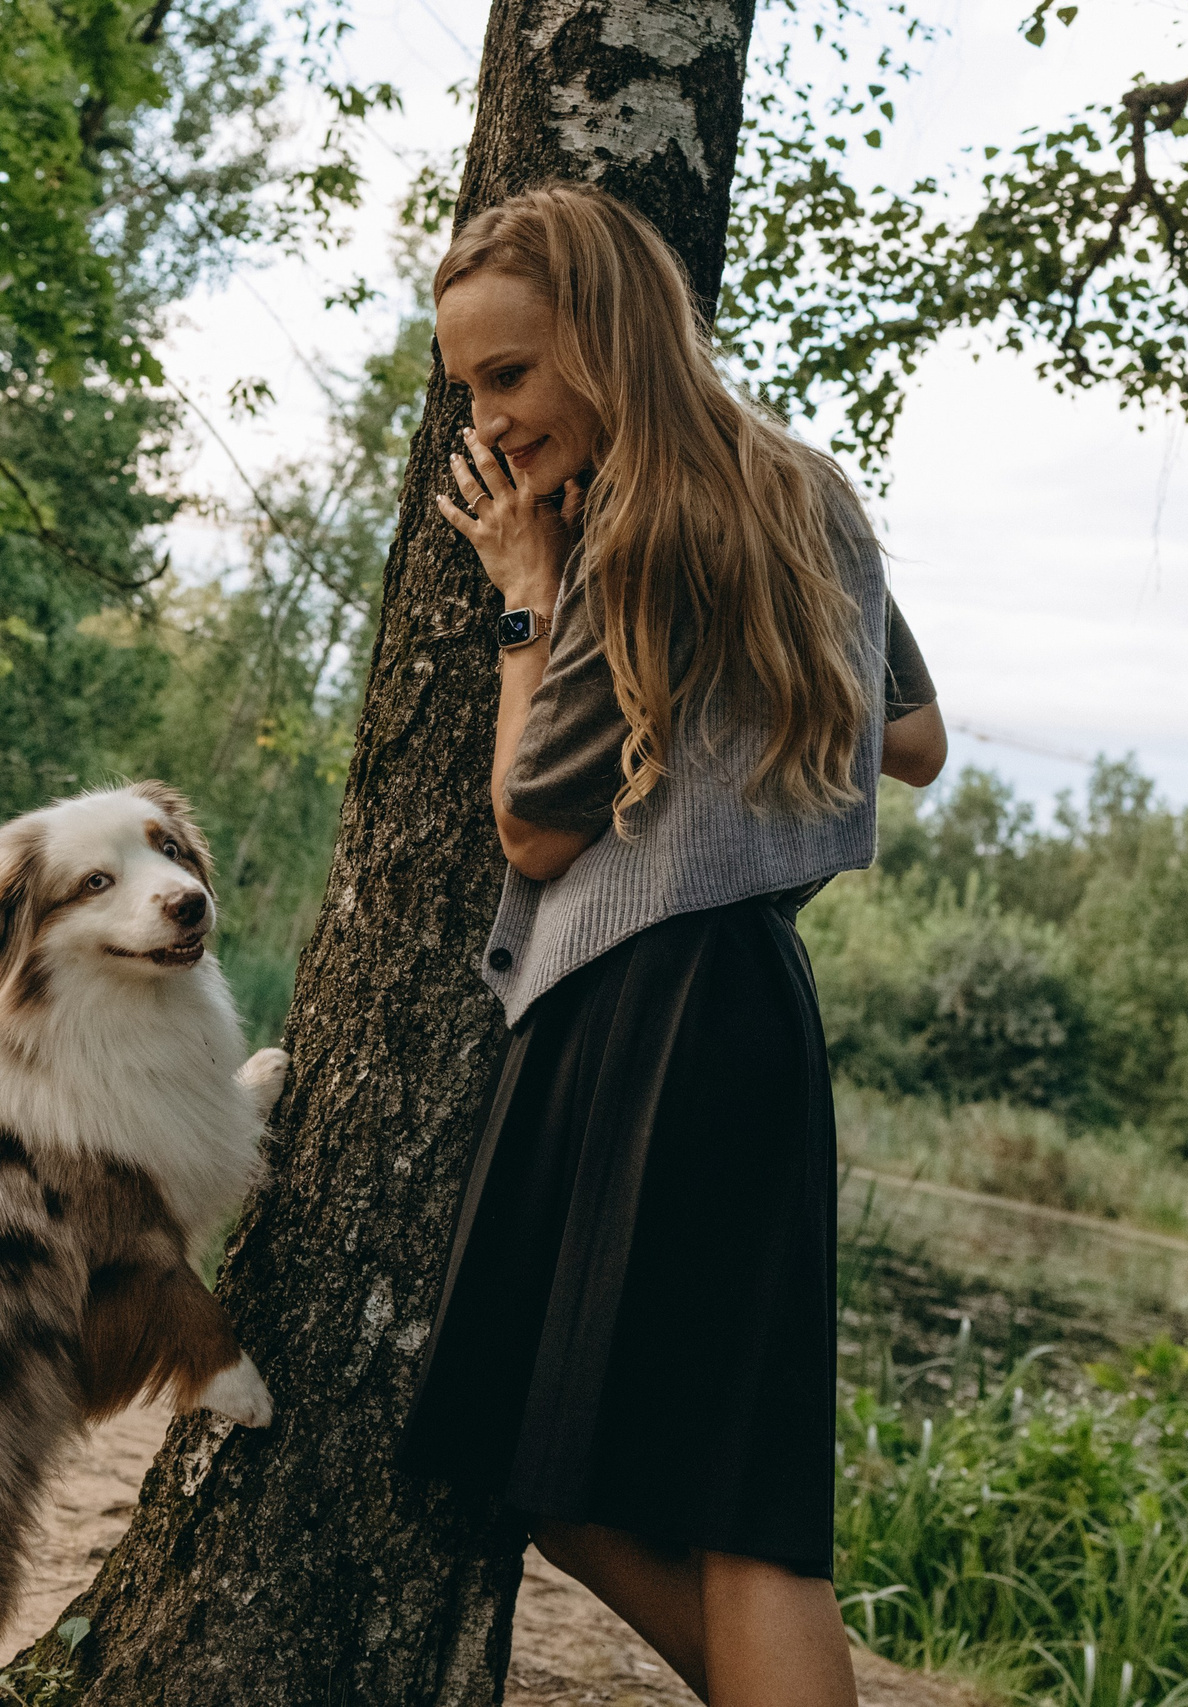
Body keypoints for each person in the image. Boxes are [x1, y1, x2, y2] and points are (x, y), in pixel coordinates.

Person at [397, 183, 944, 1707]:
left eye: (510, 376)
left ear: (608, 340)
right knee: (651, 1487)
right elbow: (913, 739)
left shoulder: (628, 527)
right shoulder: (810, 495)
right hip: (749, 1014)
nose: (490, 425)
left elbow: (533, 827)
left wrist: (527, 597)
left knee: (690, 1505)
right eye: (468, 391)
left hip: (641, 1013)